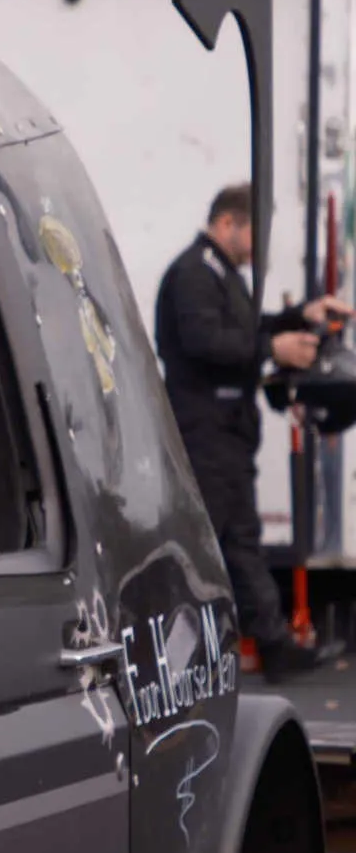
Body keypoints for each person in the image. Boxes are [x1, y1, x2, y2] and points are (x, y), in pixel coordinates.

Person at [154, 182, 350, 675]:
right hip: (204, 430)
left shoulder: (221, 274)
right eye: (255, 232)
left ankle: (274, 644)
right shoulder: (194, 273)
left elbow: (245, 329)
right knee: (204, 544)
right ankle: (178, 658)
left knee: (240, 539)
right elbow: (205, 342)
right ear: (228, 224)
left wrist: (299, 316)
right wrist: (272, 350)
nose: (261, 245)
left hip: (227, 432)